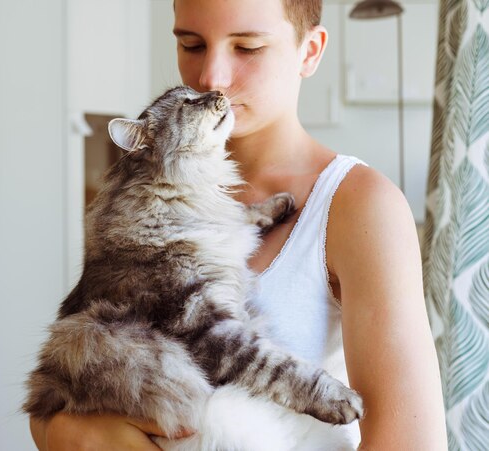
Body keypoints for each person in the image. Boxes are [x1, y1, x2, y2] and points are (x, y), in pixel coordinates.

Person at [30, 0, 448, 449]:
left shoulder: (361, 205)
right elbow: (55, 398)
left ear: (310, 51)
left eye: (247, 47)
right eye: (191, 44)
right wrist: (69, 432)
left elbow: (412, 440)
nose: (212, 78)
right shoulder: (144, 208)